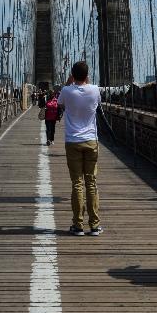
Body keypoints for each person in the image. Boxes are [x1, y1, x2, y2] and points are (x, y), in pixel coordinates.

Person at [58, 60, 102, 236]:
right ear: (87, 74)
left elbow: (60, 103)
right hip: (91, 141)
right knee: (91, 182)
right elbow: (95, 100)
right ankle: (94, 225)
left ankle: (77, 225)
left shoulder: (66, 91)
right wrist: (85, 80)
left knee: (77, 183)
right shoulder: (95, 89)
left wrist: (70, 82)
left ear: (72, 74)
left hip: (73, 141)